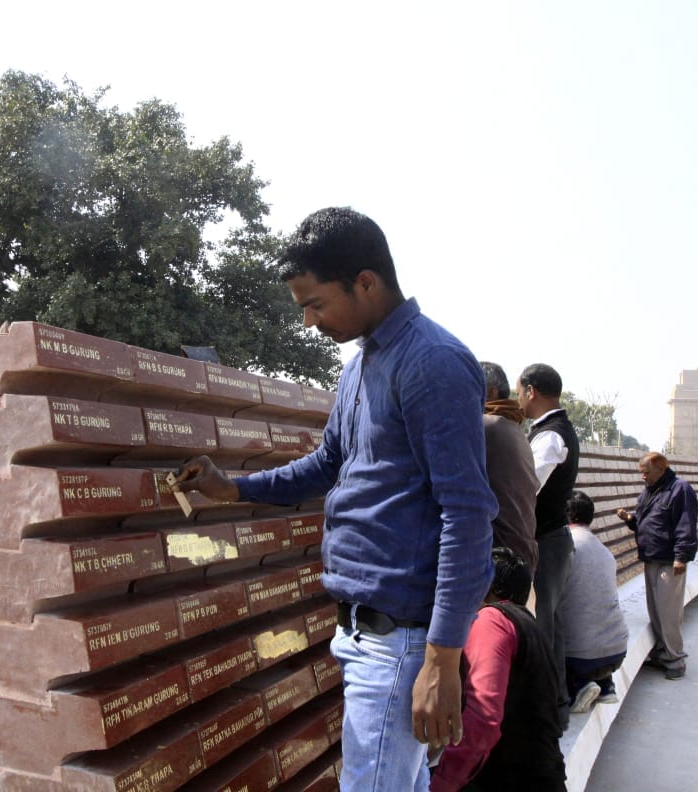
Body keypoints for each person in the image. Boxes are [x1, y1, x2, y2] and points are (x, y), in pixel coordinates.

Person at [171, 207, 497, 791]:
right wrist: (234, 488)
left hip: (400, 641)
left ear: (366, 282)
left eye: (316, 303)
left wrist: (441, 660)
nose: (307, 320)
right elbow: (328, 465)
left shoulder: (433, 363)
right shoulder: (361, 367)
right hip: (362, 634)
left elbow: (468, 517)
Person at [429, 548, 566, 792]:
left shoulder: (491, 621)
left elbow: (484, 718)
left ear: (486, 587)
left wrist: (443, 784)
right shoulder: (527, 622)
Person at [516, 363, 578, 729]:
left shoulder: (550, 437)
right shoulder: (552, 431)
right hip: (551, 540)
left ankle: (548, 713)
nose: (518, 398)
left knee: (541, 627)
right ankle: (555, 709)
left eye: (520, 391)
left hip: (546, 542)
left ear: (531, 390)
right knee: (548, 625)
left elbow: (526, 486)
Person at [616, 452, 698, 680]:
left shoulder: (680, 490)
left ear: (661, 469)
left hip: (669, 560)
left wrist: (681, 556)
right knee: (655, 611)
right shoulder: (648, 492)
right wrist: (631, 520)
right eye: (641, 472)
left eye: (647, 472)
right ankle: (662, 653)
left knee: (668, 611)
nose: (643, 477)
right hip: (651, 556)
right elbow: (647, 522)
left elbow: (685, 525)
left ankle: (675, 659)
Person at [560, 490, 628, 713]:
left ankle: (578, 688)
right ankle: (606, 686)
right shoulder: (603, 550)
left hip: (581, 658)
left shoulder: (565, 546)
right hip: (617, 651)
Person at [479, 361, 538, 575]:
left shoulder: (485, 425)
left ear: (491, 392)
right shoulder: (515, 430)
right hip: (520, 553)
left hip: (498, 558)